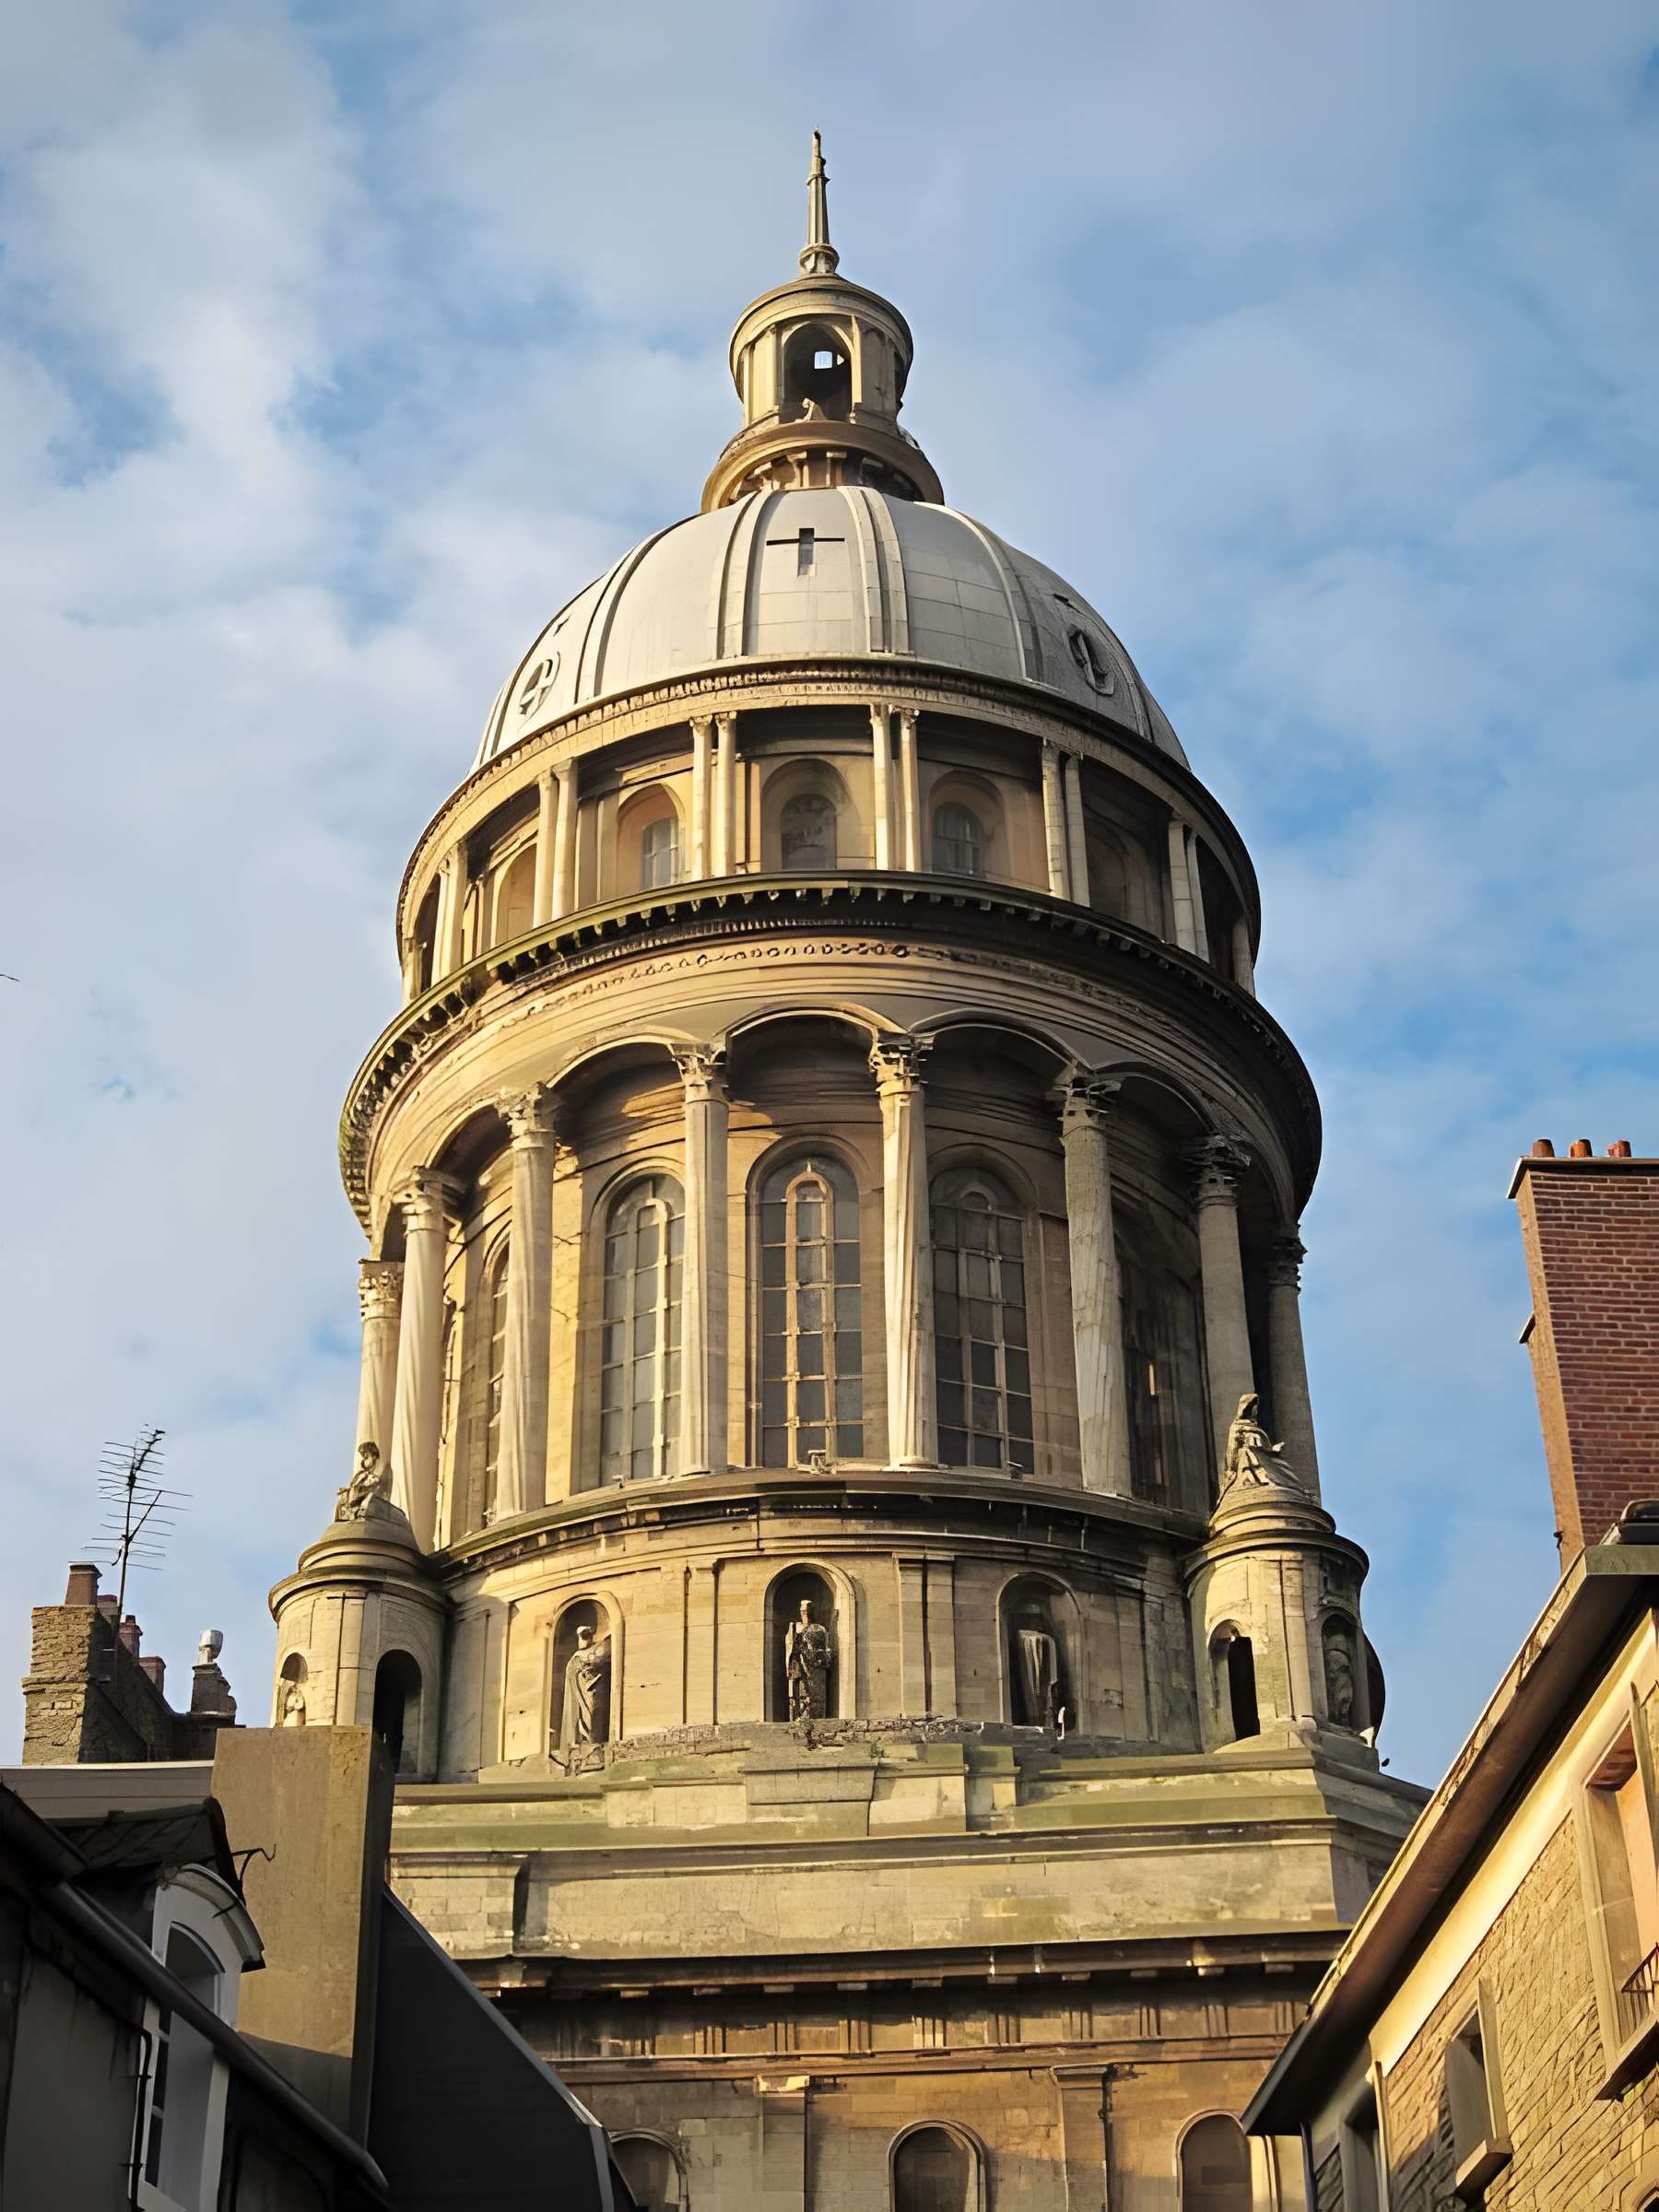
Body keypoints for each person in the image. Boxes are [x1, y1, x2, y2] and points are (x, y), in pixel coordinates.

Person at [784, 1598, 833, 1720]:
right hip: (798, 1668)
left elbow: (823, 1651)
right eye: (803, 1611)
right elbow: (790, 1647)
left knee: (814, 1697)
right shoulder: (795, 1628)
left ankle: (811, 1717)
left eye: (808, 1611)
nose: (805, 1614)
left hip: (814, 1670)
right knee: (799, 1695)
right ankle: (799, 1717)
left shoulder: (819, 1629)